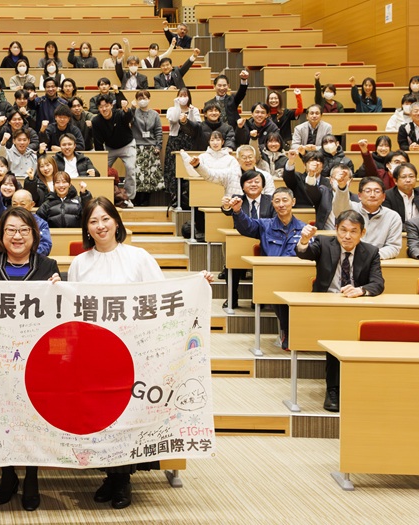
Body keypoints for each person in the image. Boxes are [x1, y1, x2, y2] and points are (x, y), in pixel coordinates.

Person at [68, 197, 211, 509]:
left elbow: (162, 297)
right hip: (96, 353)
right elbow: (73, 309)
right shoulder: (80, 263)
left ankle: (122, 480)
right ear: (87, 228)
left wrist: (196, 284)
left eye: (105, 219)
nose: (100, 226)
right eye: (93, 221)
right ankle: (110, 474)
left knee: (126, 414)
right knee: (101, 415)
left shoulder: (138, 257)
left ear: (117, 222)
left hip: (133, 353)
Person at [0, 207, 59, 511]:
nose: (17, 235)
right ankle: (7, 475)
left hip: (36, 359)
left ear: (34, 235)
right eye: (11, 230)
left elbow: (57, 315)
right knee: (1, 416)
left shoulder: (49, 267)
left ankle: (32, 476)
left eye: (24, 229)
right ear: (1, 235)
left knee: (32, 417)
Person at [296, 210, 385, 412]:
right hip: (326, 304)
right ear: (335, 230)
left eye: (353, 231)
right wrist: (303, 241)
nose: (347, 236)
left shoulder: (370, 251)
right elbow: (305, 253)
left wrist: (361, 290)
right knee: (337, 336)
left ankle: (357, 387)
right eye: (343, 230)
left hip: (354, 306)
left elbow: (378, 283)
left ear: (362, 233)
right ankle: (333, 389)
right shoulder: (324, 244)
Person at [227, 186, 305, 349]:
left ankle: (294, 333)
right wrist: (238, 211)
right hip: (273, 276)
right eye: (277, 201)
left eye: (285, 200)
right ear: (272, 205)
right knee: (278, 288)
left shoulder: (303, 229)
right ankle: (286, 331)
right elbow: (246, 226)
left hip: (296, 276)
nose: (281, 204)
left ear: (293, 202)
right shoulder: (265, 225)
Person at [220, 169, 273, 309]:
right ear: (243, 186)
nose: (253, 184)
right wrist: (226, 206)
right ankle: (232, 297)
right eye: (249, 182)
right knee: (232, 262)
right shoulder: (238, 199)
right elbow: (227, 210)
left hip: (264, 241)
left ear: (263, 185)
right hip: (241, 242)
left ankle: (259, 298)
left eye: (257, 182)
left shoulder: (271, 200)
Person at [331, 173, 403, 259]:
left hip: (376, 261)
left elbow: (393, 247)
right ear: (360, 196)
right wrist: (342, 188)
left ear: (383, 197)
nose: (372, 195)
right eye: (368, 191)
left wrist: (370, 256)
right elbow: (339, 209)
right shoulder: (350, 208)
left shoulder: (393, 217)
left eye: (377, 191)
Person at [92, 94, 137, 206]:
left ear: (111, 105)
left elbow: (129, 118)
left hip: (127, 145)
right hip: (110, 148)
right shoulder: (96, 121)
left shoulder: (119, 113)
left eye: (106, 106)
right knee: (100, 170)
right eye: (101, 107)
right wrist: (100, 159)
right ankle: (103, 197)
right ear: (98, 108)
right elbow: (98, 142)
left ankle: (128, 197)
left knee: (131, 169)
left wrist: (127, 110)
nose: (104, 109)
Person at [0, 184, 52, 257]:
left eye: (22, 204)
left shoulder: (40, 223)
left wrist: (24, 256)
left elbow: (45, 246)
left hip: (32, 261)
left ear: (32, 204)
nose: (18, 207)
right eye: (15, 204)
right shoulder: (5, 221)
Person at [163, 87, 201, 204]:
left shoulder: (194, 110)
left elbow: (197, 125)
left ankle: (186, 197)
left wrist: (191, 112)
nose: (183, 98)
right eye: (181, 95)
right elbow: (174, 119)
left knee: (187, 167)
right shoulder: (172, 109)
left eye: (185, 95)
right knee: (172, 168)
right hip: (175, 141)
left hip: (189, 141)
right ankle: (174, 196)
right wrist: (177, 105)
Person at [131, 89, 165, 202]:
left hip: (151, 147)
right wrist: (132, 108)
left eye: (145, 98)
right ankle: (136, 200)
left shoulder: (154, 114)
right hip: (137, 147)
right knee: (137, 175)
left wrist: (158, 146)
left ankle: (146, 200)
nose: (142, 101)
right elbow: (128, 120)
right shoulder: (134, 112)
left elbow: (158, 131)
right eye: (140, 98)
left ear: (149, 99)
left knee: (149, 176)